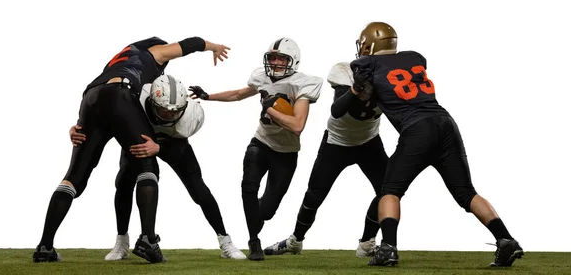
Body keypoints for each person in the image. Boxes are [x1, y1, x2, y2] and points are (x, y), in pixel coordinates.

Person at [33, 36, 230, 264]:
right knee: (146, 163)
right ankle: (148, 239)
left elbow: (103, 98)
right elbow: (191, 43)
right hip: (120, 94)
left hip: (90, 99)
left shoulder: (119, 60)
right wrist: (214, 47)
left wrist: (76, 127)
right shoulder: (152, 53)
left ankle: (45, 247)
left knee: (73, 179)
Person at [350, 22, 524, 267]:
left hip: (417, 130)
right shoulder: (414, 57)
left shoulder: (365, 64)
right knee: (466, 193)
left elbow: (363, 97)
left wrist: (359, 86)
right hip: (446, 123)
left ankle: (387, 248)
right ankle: (505, 239)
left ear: (368, 44)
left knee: (389, 191)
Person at [69, 74, 247, 261]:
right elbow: (105, 113)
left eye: (174, 111)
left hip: (173, 142)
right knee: (123, 184)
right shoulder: (135, 98)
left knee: (199, 190)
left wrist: (159, 147)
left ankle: (225, 240)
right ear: (152, 101)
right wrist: (80, 126)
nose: (169, 115)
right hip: (139, 141)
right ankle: (121, 241)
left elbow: (178, 150)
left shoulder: (191, 117)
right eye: (163, 111)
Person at [188, 37, 323, 261]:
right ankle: (254, 241)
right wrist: (207, 96)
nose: (277, 63)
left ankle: (255, 223)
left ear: (293, 61)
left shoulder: (303, 83)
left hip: (286, 152)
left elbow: (298, 126)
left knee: (267, 210)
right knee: (248, 186)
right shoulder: (261, 76)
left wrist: (270, 110)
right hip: (260, 143)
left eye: (282, 59)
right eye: (273, 58)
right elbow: (239, 94)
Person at [263, 61, 388, 257]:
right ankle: (295, 241)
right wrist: (355, 89)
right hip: (337, 143)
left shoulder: (392, 75)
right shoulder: (345, 71)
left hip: (370, 141)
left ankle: (367, 243)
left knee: (388, 191)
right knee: (314, 195)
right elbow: (337, 110)